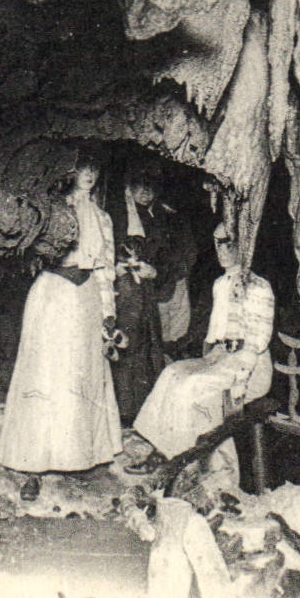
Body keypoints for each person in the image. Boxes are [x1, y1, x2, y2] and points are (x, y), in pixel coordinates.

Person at [0, 153, 122, 500]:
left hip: (86, 298)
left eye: (94, 167)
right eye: (83, 167)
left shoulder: (103, 218)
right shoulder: (53, 209)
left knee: (82, 374)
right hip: (53, 294)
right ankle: (33, 464)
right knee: (45, 376)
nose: (89, 173)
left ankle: (81, 456)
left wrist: (108, 311)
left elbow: (105, 268)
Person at [130, 222, 274, 493]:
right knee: (171, 374)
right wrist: (203, 360)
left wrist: (240, 379)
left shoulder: (258, 286)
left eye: (229, 243)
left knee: (192, 386)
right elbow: (213, 334)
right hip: (221, 358)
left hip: (250, 366)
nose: (222, 250)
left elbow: (257, 341)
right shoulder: (220, 284)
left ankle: (189, 464)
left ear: (245, 245)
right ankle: (164, 449)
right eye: (218, 243)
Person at [108, 161, 191, 422]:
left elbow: (172, 259)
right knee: (125, 344)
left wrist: (155, 271)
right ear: (128, 187)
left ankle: (143, 411)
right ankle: (123, 410)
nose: (145, 191)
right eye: (139, 185)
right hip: (122, 293)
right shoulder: (115, 216)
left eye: (151, 187)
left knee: (148, 346)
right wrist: (115, 268)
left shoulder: (161, 219)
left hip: (147, 293)